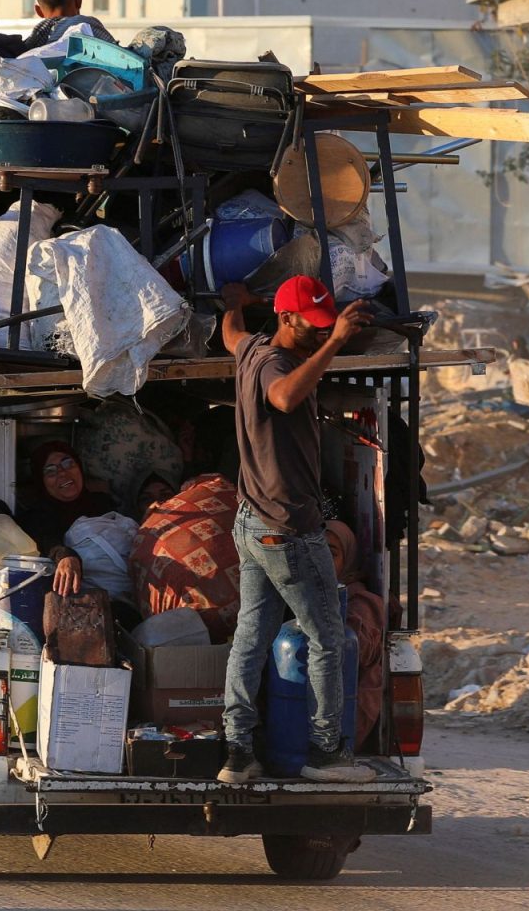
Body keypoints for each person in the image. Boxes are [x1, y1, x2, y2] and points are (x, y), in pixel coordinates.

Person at [216, 276, 375, 784]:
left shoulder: (250, 348)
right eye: (314, 326)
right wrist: (335, 344)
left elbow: (230, 331)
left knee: (251, 637)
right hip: (287, 528)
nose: (320, 333)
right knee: (328, 637)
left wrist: (234, 302)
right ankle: (327, 753)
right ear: (286, 319)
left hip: (251, 522)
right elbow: (284, 397)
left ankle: (238, 753)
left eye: (326, 326)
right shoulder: (276, 365)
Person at [15, 440, 116, 596]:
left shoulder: (103, 504)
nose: (62, 473)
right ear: (41, 482)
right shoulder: (36, 517)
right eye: (50, 471)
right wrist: (64, 556)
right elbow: (47, 539)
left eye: (68, 463)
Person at [324, 519, 386, 751]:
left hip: (348, 717)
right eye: (315, 552)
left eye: (331, 553)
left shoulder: (363, 603)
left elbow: (353, 653)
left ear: (348, 559)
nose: (321, 561)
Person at [20, 0, 117, 52]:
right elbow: (121, 55)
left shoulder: (36, 39)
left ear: (38, 11)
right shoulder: (88, 25)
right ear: (79, 1)